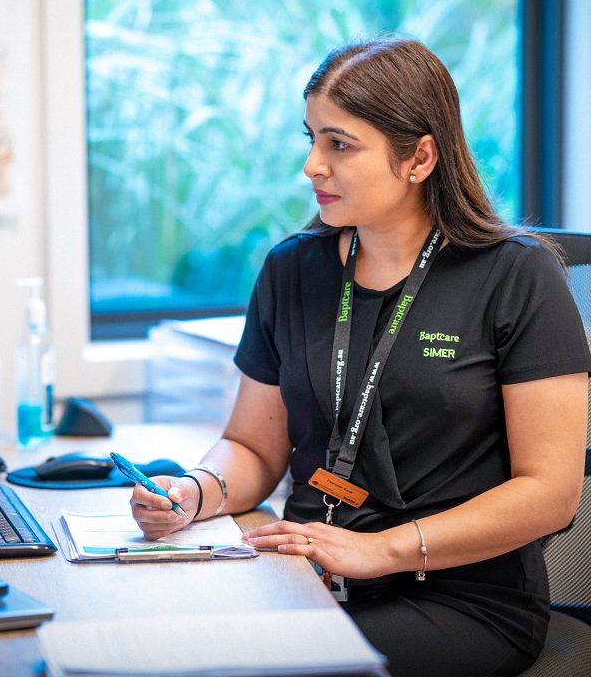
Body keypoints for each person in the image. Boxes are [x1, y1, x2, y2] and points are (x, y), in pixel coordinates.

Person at [130, 38, 590, 677]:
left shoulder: (517, 276)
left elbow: (551, 494)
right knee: (153, 641)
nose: (312, 166)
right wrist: (195, 492)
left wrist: (382, 550)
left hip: (461, 597)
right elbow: (255, 447)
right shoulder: (292, 269)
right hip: (308, 573)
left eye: (338, 144)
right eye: (310, 138)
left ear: (419, 157)